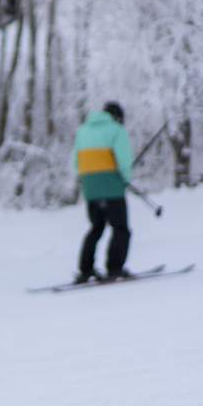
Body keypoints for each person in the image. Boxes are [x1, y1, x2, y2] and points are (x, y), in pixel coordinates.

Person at [72, 101, 137, 284]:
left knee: (96, 227)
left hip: (90, 188)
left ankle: (85, 270)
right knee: (121, 228)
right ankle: (115, 268)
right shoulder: (117, 130)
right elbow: (123, 160)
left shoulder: (82, 131)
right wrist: (125, 179)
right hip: (111, 187)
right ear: (117, 117)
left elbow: (74, 163)